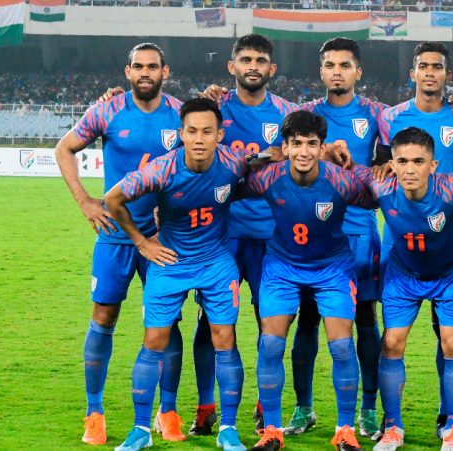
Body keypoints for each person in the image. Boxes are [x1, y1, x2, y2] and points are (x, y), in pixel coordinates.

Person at [54, 42, 187, 446]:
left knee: (167, 323)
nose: (145, 72)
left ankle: (168, 412)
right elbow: (64, 149)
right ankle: (94, 412)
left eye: (153, 66)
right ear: (127, 72)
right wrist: (85, 201)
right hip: (115, 236)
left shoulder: (181, 114)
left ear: (165, 71)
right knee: (103, 316)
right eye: (138, 66)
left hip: (162, 240)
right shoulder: (107, 111)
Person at [104, 97, 251, 451]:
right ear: (180, 134)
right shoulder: (162, 170)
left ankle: (228, 429)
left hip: (216, 263)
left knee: (224, 340)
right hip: (171, 262)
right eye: (192, 131)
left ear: (219, 135)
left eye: (207, 132)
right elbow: (112, 199)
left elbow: (265, 168)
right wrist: (142, 243)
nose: (199, 139)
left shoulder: (235, 162)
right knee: (154, 341)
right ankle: (140, 429)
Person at [357, 127, 453, 451]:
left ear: (433, 165)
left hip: (451, 275)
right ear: (391, 163)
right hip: (403, 274)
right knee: (391, 344)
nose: (410, 169)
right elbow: (348, 173)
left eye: (419, 161)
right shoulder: (381, 184)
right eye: (402, 161)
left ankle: (452, 428)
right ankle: (393, 428)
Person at [192, 33, 300, 437]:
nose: (252, 65)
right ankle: (206, 406)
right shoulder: (213, 109)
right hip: (220, 236)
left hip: (273, 237)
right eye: (245, 59)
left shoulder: (289, 116)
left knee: (269, 325)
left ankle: (263, 404)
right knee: (210, 322)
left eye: (260, 60)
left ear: (272, 69)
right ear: (231, 66)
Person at [245, 110, 372, 451]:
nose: (303, 152)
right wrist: (258, 157)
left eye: (312, 144)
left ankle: (345, 429)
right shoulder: (268, 178)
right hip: (282, 266)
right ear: (284, 146)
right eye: (296, 144)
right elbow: (230, 180)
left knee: (343, 346)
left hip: (332, 268)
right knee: (270, 344)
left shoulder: (340, 180)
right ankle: (272, 430)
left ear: (322, 147)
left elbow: (380, 193)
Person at [285, 37, 388, 439]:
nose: (337, 72)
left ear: (358, 72)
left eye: (345, 65)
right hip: (314, 230)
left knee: (364, 320)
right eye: (330, 65)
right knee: (307, 319)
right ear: (321, 71)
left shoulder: (379, 114)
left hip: (360, 230)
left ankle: (367, 409)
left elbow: (409, 141)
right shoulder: (304, 116)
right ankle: (303, 408)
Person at [375, 41, 453, 440]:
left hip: (446, 233)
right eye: (423, 66)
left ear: (448, 75)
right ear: (412, 73)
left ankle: (448, 415)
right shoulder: (390, 117)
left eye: (438, 66)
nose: (430, 72)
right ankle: (386, 419)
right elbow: (378, 164)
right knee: (390, 336)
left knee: (447, 335)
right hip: (399, 237)